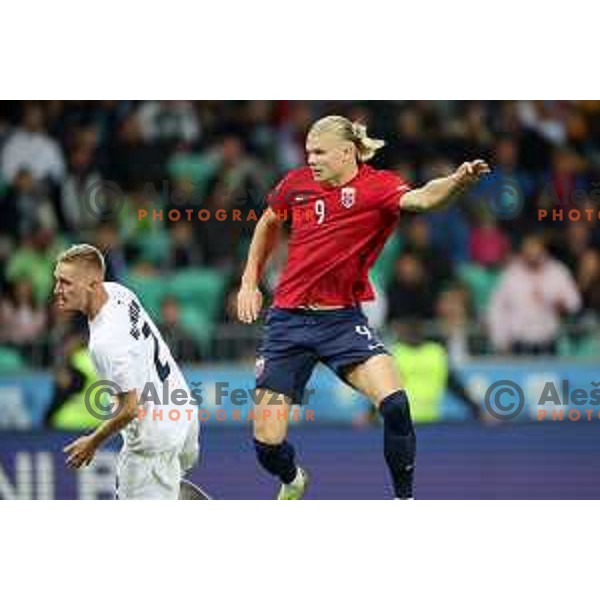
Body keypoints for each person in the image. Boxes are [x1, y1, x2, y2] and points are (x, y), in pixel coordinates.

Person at [237, 115, 490, 499]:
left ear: (347, 152)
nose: (312, 160)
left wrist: (456, 183)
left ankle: (404, 500)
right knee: (267, 444)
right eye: (308, 152)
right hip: (288, 323)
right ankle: (293, 479)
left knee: (395, 405)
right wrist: (248, 282)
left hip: (342, 321)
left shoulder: (379, 188)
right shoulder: (297, 184)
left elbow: (423, 197)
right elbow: (269, 221)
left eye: (319, 152)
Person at [53, 244, 200, 499]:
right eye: (57, 281)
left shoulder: (104, 343)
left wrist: (93, 442)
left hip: (152, 444)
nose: (57, 290)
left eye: (65, 283)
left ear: (93, 284)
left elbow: (130, 408)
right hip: (182, 413)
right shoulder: (119, 292)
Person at [487, 235, 582, 355]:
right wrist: (500, 340)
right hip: (519, 343)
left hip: (549, 341)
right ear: (522, 252)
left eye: (536, 251)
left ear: (543, 251)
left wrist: (560, 304)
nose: (532, 255)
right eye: (528, 251)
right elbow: (496, 308)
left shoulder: (558, 272)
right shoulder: (510, 275)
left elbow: (575, 303)